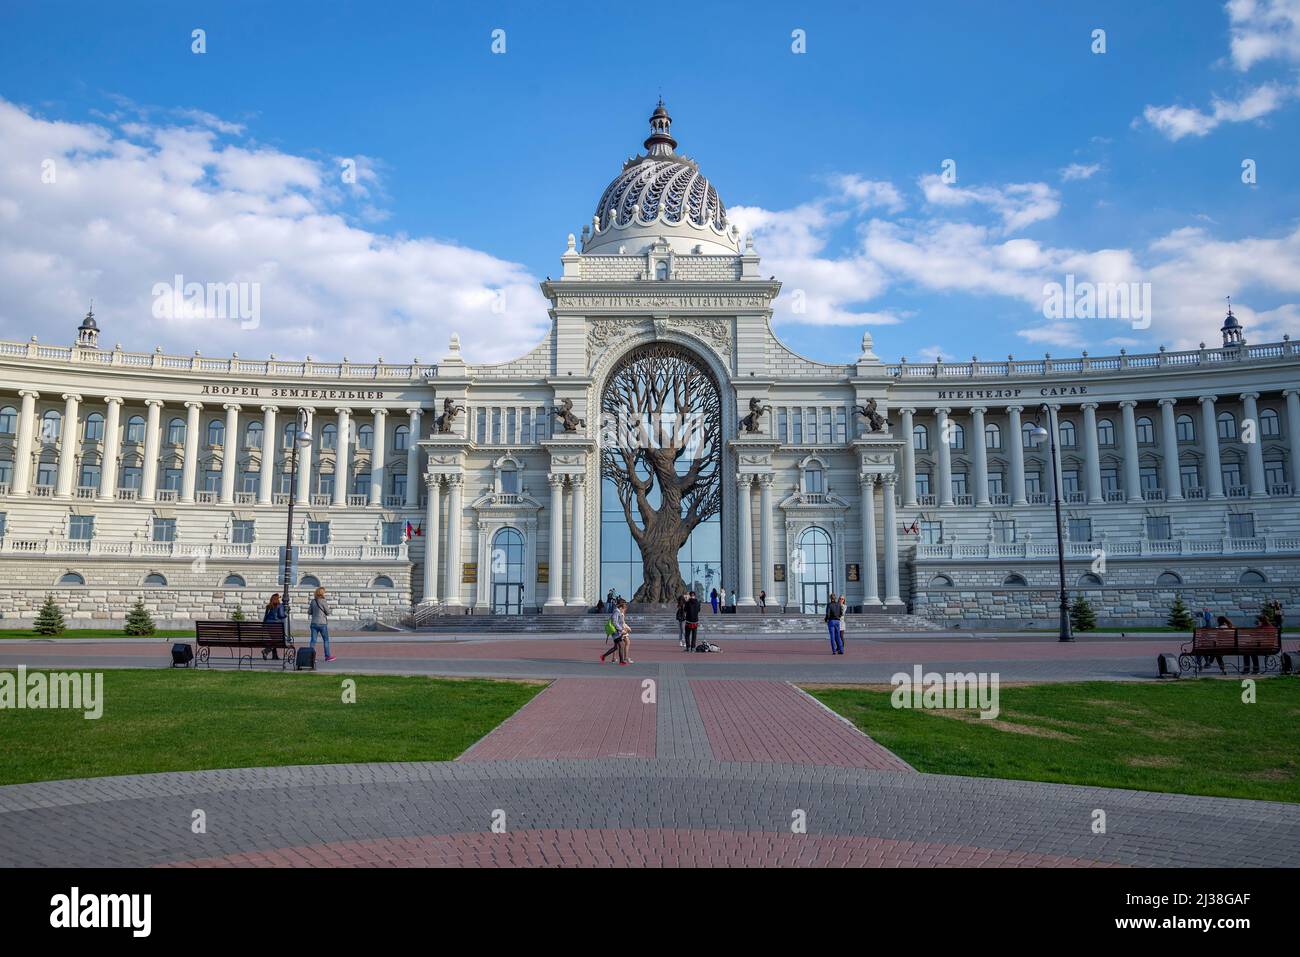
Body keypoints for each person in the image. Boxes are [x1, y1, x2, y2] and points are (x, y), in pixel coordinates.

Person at [308, 586, 336, 663]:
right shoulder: (323, 601)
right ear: (322, 593)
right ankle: (327, 656)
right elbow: (328, 612)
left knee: (313, 640)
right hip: (322, 623)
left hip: (313, 623)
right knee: (326, 640)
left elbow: (309, 612)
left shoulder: (313, 601)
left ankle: (310, 657)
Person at [600, 598, 631, 665]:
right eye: (624, 607)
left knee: (616, 647)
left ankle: (603, 656)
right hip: (616, 632)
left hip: (617, 631)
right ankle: (621, 661)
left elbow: (619, 622)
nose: (624, 609)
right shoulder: (616, 611)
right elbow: (614, 622)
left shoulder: (618, 612)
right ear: (621, 606)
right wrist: (621, 630)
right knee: (621, 645)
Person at [261, 593, 286, 660]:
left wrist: (263, 625)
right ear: (277, 599)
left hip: (268, 626)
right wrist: (286, 614)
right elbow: (281, 615)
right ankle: (266, 651)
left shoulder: (268, 606)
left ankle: (275, 656)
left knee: (274, 640)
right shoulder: (280, 606)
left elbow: (265, 616)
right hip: (276, 626)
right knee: (277, 641)